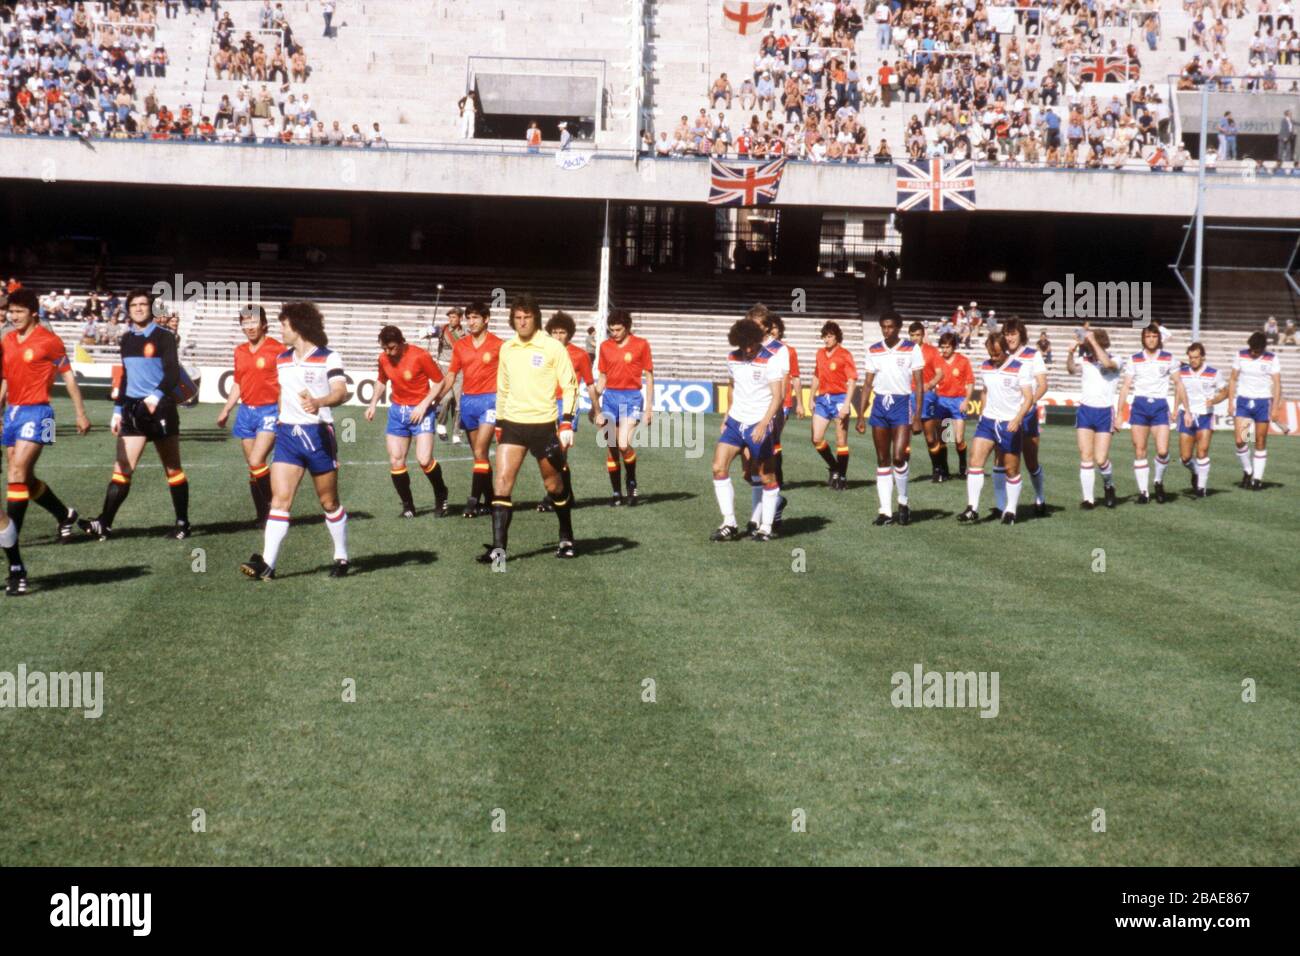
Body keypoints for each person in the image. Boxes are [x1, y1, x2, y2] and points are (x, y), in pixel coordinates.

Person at [240, 302, 351, 580]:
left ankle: (341, 556)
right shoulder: (282, 358)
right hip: (288, 435)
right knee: (279, 501)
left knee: (328, 502)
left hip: (318, 435)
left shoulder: (329, 357)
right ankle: (268, 563)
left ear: (298, 327)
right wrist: (280, 415)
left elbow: (341, 392)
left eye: (284, 325)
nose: (281, 330)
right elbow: (281, 392)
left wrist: (319, 401)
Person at [79, 289, 191, 541]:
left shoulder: (164, 337)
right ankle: (104, 524)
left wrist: (155, 396)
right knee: (122, 468)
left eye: (143, 304)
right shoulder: (127, 339)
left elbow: (173, 373)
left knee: (172, 468)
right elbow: (126, 376)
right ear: (128, 309)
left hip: (160, 409)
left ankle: (183, 523)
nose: (139, 308)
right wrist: (118, 410)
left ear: (151, 308)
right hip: (132, 410)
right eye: (134, 305)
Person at [475, 294, 579, 564]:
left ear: (536, 318)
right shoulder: (507, 348)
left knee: (554, 485)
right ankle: (499, 550)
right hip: (512, 424)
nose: (522, 322)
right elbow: (503, 387)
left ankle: (566, 535)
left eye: (527, 317)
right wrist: (499, 423)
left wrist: (566, 421)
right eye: (517, 318)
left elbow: (569, 386)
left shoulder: (553, 347)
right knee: (501, 483)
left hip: (544, 426)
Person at [1, 288, 92, 595]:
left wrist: (80, 412)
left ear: (33, 314)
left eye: (18, 312)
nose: (12, 316)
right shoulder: (7, 341)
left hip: (41, 413)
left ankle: (13, 558)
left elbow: (68, 377)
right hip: (13, 414)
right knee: (23, 478)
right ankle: (64, 514)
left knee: (15, 476)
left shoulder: (49, 341)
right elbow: (5, 379)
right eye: (10, 311)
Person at [710, 319, 783, 542]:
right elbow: (732, 386)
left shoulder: (771, 360)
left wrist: (763, 424)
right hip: (735, 422)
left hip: (758, 423)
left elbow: (778, 397)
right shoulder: (733, 358)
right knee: (718, 468)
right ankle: (729, 523)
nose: (748, 349)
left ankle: (766, 526)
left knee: (765, 475)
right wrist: (726, 415)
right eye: (743, 345)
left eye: (751, 344)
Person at [365, 325, 449, 518]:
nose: (388, 352)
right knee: (396, 460)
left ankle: (441, 493)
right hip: (397, 413)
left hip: (421, 412)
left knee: (424, 459)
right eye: (385, 348)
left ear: (402, 343)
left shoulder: (420, 356)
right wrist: (372, 404)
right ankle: (408, 507)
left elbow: (439, 381)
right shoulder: (383, 358)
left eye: (392, 347)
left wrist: (423, 404)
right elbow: (381, 380)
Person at [957, 333, 1035, 525]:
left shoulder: (1019, 368)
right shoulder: (985, 366)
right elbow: (985, 391)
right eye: (990, 354)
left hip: (1009, 423)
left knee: (1011, 469)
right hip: (988, 422)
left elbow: (1028, 397)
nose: (993, 358)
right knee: (974, 461)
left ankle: (1010, 509)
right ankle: (972, 508)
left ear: (1005, 350)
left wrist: (1018, 419)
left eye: (997, 354)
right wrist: (983, 412)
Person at [433, 301, 502, 516]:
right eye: (469, 318)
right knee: (479, 456)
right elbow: (451, 375)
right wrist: (437, 398)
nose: (471, 322)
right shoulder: (461, 346)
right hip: (469, 402)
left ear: (486, 319)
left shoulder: (500, 344)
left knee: (481, 450)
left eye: (475, 318)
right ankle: (490, 500)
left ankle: (472, 502)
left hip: (491, 402)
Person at [855, 311, 924, 526]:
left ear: (898, 327)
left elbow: (919, 384)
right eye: (884, 327)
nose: (887, 330)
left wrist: (918, 415)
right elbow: (867, 384)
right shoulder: (874, 350)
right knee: (882, 459)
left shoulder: (912, 348)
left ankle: (903, 502)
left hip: (902, 404)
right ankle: (885, 511)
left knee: (899, 458)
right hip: (879, 405)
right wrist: (860, 414)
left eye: (891, 327)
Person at [215, 305, 281, 526]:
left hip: (270, 411)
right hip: (246, 412)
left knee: (256, 460)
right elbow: (238, 383)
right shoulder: (240, 351)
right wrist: (226, 409)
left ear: (263, 324)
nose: (250, 327)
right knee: (253, 468)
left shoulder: (277, 349)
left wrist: (284, 411)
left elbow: (285, 383)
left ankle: (276, 507)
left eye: (253, 322)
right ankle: (262, 516)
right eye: (245, 323)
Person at [537, 310, 599, 513]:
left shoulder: (580, 355)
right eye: (554, 332)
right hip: (546, 404)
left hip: (567, 405)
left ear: (569, 333)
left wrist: (596, 410)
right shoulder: (543, 352)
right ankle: (567, 495)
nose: (558, 336)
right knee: (549, 452)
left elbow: (590, 384)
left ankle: (552, 496)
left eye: (562, 332)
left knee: (559, 452)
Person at [595, 309, 654, 507]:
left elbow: (649, 377)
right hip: (610, 398)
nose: (614, 334)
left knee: (622, 444)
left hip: (631, 399)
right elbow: (603, 377)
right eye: (611, 330)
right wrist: (595, 400)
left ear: (627, 328)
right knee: (612, 448)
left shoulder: (641, 345)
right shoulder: (605, 347)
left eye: (618, 330)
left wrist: (648, 409)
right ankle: (616, 493)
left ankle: (631, 481)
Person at [1117, 324, 1175, 504]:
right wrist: (1120, 412)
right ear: (1143, 338)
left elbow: (1179, 384)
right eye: (1148, 336)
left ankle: (1158, 481)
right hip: (1140, 405)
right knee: (1140, 450)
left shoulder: (1168, 358)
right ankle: (1144, 492)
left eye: (1154, 336)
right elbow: (1126, 386)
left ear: (1159, 339)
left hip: (1159, 406)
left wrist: (1182, 409)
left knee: (1163, 451)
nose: (1151, 339)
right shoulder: (1134, 359)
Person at [1067, 329, 1121, 509]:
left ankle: (1109, 484)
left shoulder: (1116, 359)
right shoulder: (1086, 360)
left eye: (1092, 343)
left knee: (1101, 458)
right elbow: (1071, 370)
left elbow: (1106, 363)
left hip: (1104, 412)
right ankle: (1088, 499)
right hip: (1085, 410)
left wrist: (1092, 340)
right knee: (1086, 456)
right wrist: (1070, 353)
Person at [1001, 317, 1049, 515]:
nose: (1010, 337)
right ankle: (1005, 505)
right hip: (1004, 414)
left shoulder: (1032, 355)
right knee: (1004, 462)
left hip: (1026, 415)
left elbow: (1043, 384)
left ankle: (1040, 497)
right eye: (1007, 333)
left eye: (1013, 333)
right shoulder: (1001, 355)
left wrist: (1028, 405)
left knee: (1031, 461)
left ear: (1021, 334)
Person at [1229, 331, 1284, 490]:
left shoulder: (1272, 358)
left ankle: (1257, 479)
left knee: (1259, 441)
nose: (1254, 353)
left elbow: (1277, 383)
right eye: (1252, 349)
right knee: (1241, 440)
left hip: (1262, 402)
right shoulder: (1240, 355)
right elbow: (1233, 378)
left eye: (1257, 350)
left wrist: (1275, 407)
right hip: (1244, 402)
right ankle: (1248, 470)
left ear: (1263, 348)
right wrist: (1231, 401)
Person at [1173, 343, 1229, 497]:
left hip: (1205, 416)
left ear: (1202, 357)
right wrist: (1174, 409)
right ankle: (1196, 472)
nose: (1193, 360)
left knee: (1202, 451)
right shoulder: (1182, 373)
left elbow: (1226, 391)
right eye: (1190, 358)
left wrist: (1214, 401)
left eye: (1196, 357)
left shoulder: (1214, 373)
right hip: (1186, 415)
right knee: (1185, 458)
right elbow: (1179, 391)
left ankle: (1201, 488)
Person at [810, 321, 857, 490]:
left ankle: (842, 477)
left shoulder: (845, 355)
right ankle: (834, 467)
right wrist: (811, 397)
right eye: (825, 336)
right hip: (823, 399)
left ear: (837, 337)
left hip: (840, 399)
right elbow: (816, 375)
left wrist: (846, 405)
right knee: (816, 438)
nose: (826, 339)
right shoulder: (820, 353)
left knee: (840, 440)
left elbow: (852, 381)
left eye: (830, 336)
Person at [908, 321, 947, 481]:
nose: (915, 338)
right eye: (912, 335)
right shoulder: (905, 351)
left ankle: (945, 468)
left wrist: (930, 384)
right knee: (904, 436)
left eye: (918, 335)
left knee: (939, 437)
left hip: (947, 403)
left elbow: (940, 373)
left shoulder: (933, 352)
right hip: (908, 395)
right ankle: (900, 471)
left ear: (923, 335)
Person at [932, 331, 975, 478]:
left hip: (958, 402)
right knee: (944, 438)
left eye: (947, 347)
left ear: (954, 347)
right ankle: (945, 470)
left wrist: (966, 400)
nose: (944, 350)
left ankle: (963, 467)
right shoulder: (937, 361)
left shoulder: (963, 361)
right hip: (942, 401)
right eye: (942, 347)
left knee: (958, 439)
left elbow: (970, 382)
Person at [432, 306, 465, 443]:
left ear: (460, 318)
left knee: (459, 404)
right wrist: (429, 330)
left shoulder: (466, 333)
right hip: (444, 370)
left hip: (459, 371)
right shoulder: (443, 329)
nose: (451, 320)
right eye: (449, 317)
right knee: (446, 398)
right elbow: (428, 333)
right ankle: (441, 424)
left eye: (454, 317)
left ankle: (456, 433)